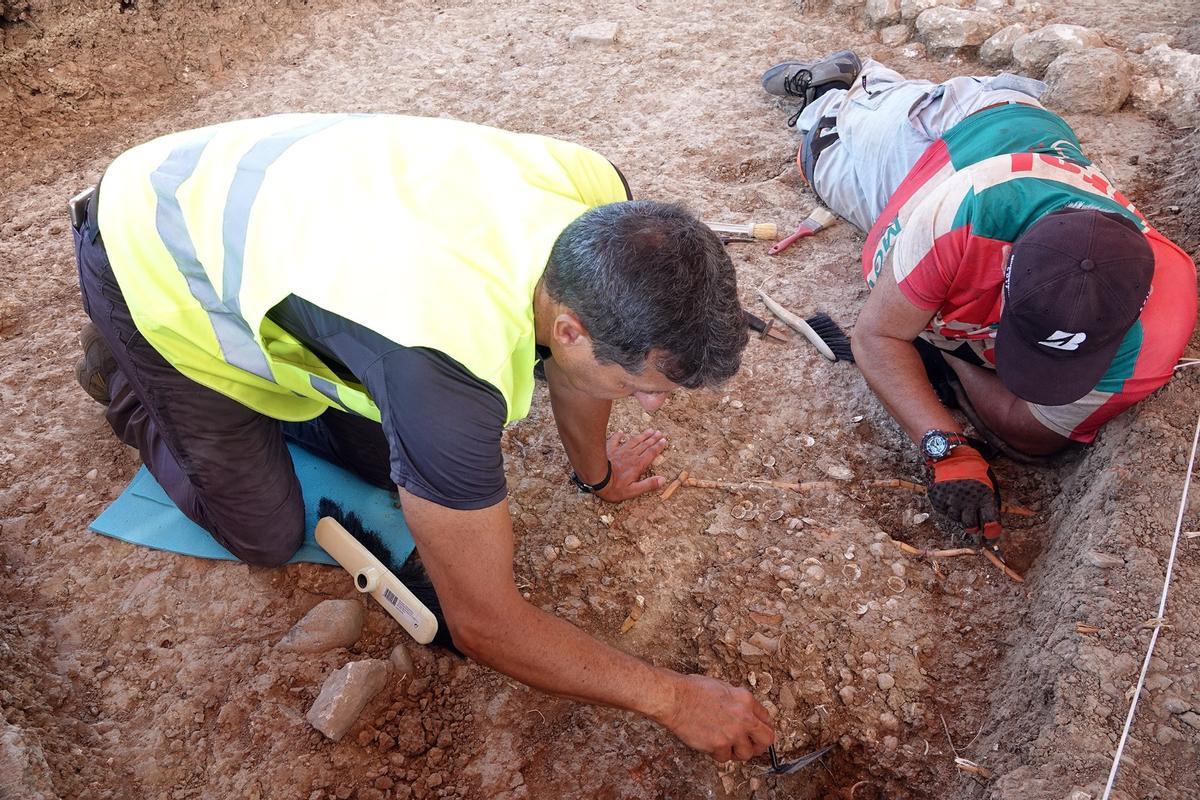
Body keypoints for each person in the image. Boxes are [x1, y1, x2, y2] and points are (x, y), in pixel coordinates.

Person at [71, 113, 773, 762]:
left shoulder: (598, 205)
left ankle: (277, 360)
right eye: (642, 384)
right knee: (263, 529)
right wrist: (674, 698)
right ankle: (127, 373)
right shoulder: (445, 376)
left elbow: (579, 372)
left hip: (269, 204)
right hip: (152, 244)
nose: (651, 405)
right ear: (570, 331)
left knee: (397, 466)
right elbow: (484, 624)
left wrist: (595, 475)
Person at [761, 52, 1197, 545]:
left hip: (1020, 160)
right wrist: (945, 444)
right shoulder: (960, 219)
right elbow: (876, 335)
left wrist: (950, 351)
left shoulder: (1158, 330)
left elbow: (1028, 433)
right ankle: (839, 89)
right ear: (1006, 266)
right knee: (823, 151)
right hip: (962, 136)